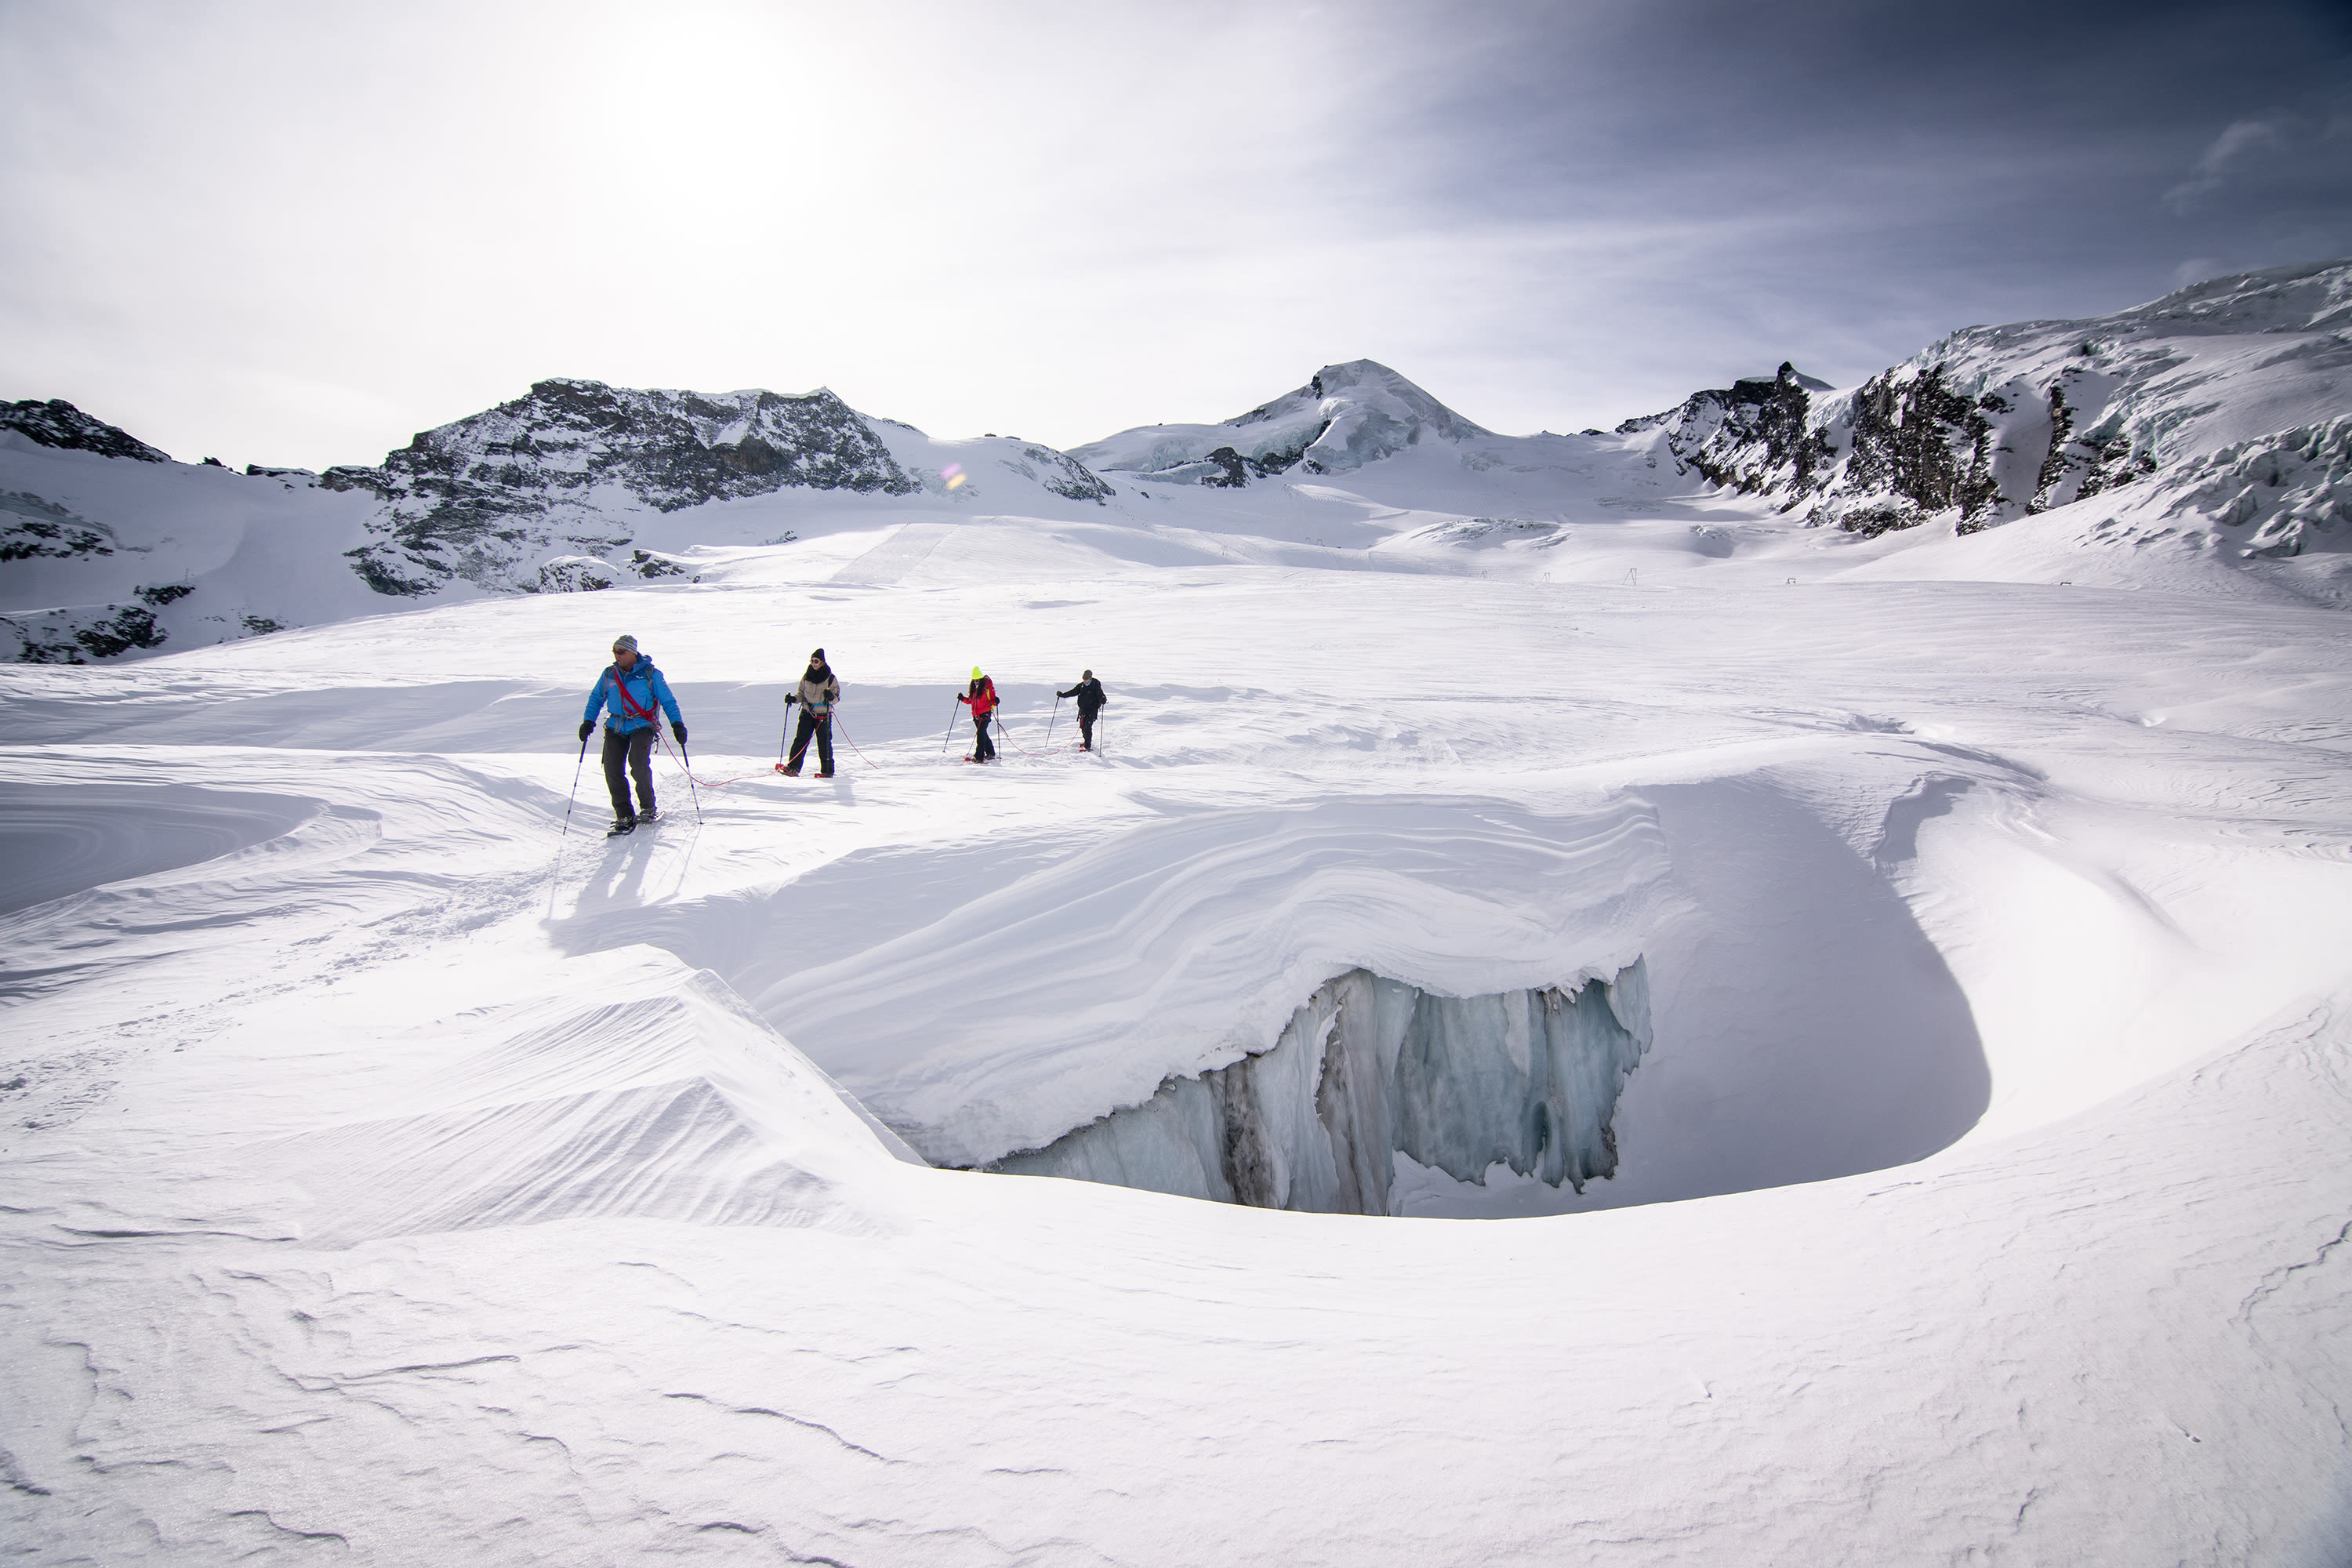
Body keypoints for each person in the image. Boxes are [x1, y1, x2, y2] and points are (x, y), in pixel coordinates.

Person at [578, 633, 684, 834]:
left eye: (621, 652)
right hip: (616, 726)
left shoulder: (651, 675)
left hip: (642, 725)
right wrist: (588, 721)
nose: (616, 655)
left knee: (638, 763)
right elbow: (595, 698)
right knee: (611, 769)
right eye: (614, 652)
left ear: (632, 652)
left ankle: (648, 808)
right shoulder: (609, 674)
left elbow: (668, 701)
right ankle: (624, 815)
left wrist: (677, 724)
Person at [781, 648, 840, 778]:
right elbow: (801, 694)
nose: (813, 663)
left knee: (824, 743)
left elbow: (836, 699)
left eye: (816, 661)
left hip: (823, 715)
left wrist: (830, 697)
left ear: (822, 662)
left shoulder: (830, 679)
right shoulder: (807, 676)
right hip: (807, 712)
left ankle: (827, 772)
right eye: (812, 660)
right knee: (800, 740)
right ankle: (793, 767)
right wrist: (793, 699)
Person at [1057, 669, 1108, 751]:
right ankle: (1086, 741)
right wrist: (1062, 695)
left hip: (1092, 710)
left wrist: (1103, 699)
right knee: (1083, 727)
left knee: (1087, 727)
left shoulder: (1096, 686)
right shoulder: (1081, 686)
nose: (1085, 681)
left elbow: (1101, 695)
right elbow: (1073, 692)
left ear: (1090, 678)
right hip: (1083, 710)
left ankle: (1088, 746)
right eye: (1084, 679)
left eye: (1086, 679)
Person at [957, 666, 998, 762]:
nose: (976, 682)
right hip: (976, 717)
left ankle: (979, 757)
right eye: (975, 681)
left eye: (978, 680)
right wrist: (962, 699)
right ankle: (991, 753)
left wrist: (996, 701)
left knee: (980, 736)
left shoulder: (987, 688)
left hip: (985, 715)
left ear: (981, 680)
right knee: (983, 734)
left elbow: (993, 701)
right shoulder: (974, 689)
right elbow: (971, 701)